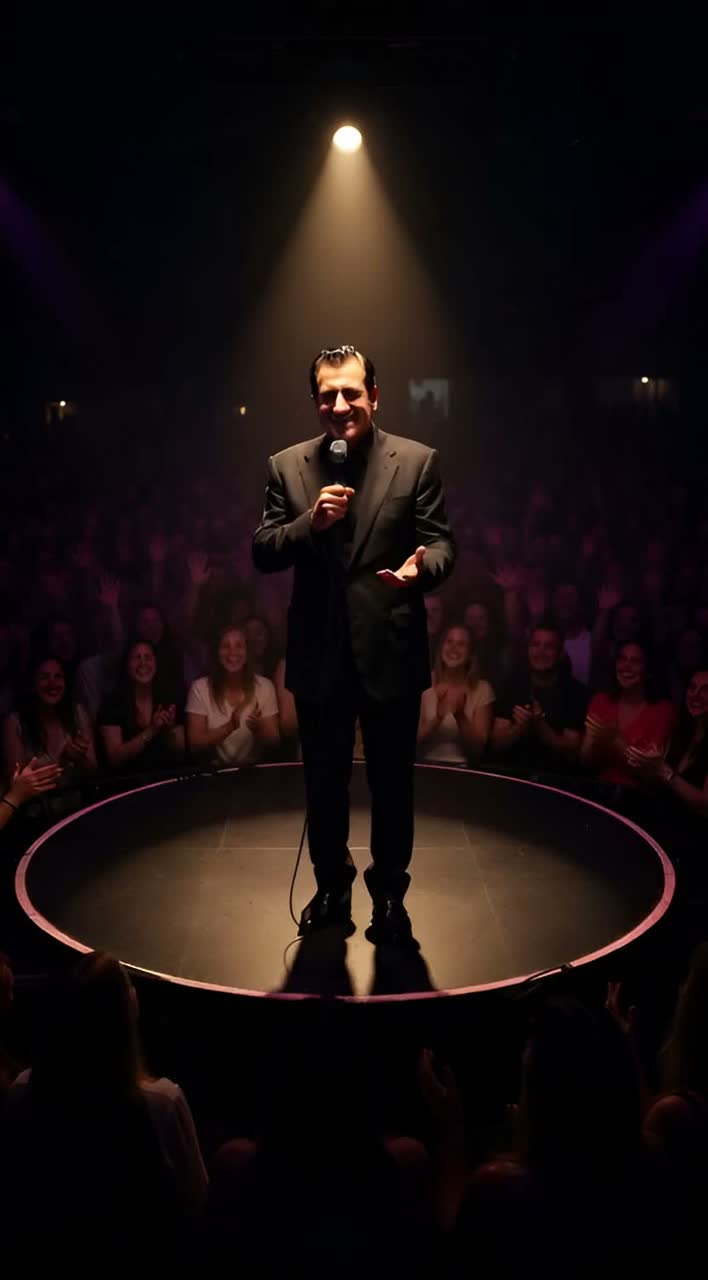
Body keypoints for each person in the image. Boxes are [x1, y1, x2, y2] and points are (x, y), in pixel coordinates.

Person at [252, 345, 455, 945]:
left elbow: (442, 545)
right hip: (319, 655)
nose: (339, 405)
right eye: (327, 395)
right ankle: (331, 888)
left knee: (392, 785)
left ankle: (390, 896)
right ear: (314, 401)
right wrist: (307, 525)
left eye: (351, 392)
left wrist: (422, 570)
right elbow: (263, 549)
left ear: (375, 395)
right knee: (324, 784)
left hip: (391, 650)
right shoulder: (287, 466)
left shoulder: (416, 461)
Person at [491, 623, 587, 775]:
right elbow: (497, 743)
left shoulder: (575, 692)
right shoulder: (511, 685)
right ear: (528, 650)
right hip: (515, 774)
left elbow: (571, 753)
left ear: (561, 654)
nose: (541, 652)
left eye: (549, 647)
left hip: (558, 778)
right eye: (535, 645)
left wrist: (539, 724)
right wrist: (519, 727)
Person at [581, 641, 675, 789]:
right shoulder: (601, 701)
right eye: (622, 659)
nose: (626, 666)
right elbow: (585, 761)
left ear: (648, 670)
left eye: (635, 661)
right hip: (600, 789)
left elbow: (650, 775)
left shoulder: (662, 710)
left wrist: (616, 741)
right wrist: (596, 743)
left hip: (639, 795)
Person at [185, 625, 279, 766]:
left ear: (247, 653)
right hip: (213, 771)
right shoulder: (200, 688)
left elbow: (274, 740)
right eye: (225, 646)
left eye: (239, 646)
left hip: (252, 771)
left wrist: (259, 728)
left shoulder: (265, 686)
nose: (232, 652)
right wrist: (228, 728)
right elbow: (195, 744)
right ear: (217, 653)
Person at [98, 639, 185, 772]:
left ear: (156, 663)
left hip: (163, 776)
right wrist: (152, 730)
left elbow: (180, 750)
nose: (143, 663)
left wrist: (169, 728)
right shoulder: (111, 703)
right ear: (126, 665)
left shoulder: (168, 697)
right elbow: (115, 759)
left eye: (148, 657)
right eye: (136, 657)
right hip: (126, 780)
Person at [417, 623, 494, 765]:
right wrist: (437, 718)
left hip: (464, 770)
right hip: (425, 767)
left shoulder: (482, 689)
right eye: (449, 641)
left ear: (470, 654)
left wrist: (460, 716)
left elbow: (478, 750)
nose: (453, 648)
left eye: (461, 644)